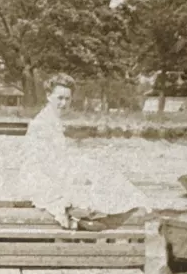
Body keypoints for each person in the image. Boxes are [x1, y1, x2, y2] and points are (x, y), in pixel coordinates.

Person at [21, 73, 151, 231]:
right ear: (49, 96)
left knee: (101, 173)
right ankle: (93, 220)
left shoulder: (51, 119)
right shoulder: (41, 124)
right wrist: (74, 174)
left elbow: (57, 157)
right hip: (41, 179)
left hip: (51, 171)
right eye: (59, 98)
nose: (63, 103)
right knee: (95, 181)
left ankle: (96, 219)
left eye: (67, 99)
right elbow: (42, 163)